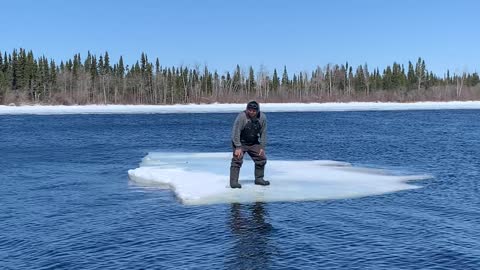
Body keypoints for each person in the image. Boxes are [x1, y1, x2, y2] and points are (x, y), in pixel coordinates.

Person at [230, 100, 270, 188]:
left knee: (261, 158)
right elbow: (235, 132)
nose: (251, 112)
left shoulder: (262, 117)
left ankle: (259, 179)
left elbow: (263, 132)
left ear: (258, 111)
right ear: (247, 109)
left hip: (253, 142)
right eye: (250, 110)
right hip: (240, 142)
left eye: (254, 111)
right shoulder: (241, 117)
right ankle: (233, 182)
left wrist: (262, 147)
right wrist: (238, 146)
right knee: (237, 160)